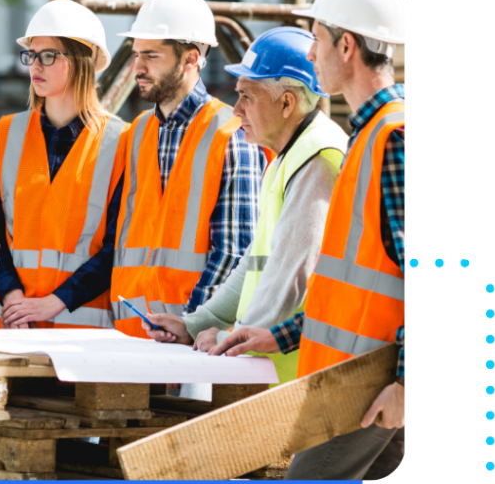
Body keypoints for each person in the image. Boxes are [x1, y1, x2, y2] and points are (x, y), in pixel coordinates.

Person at [212, 0, 405, 480]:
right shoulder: (366, 139)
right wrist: (281, 334)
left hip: (370, 385)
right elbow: (350, 284)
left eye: (317, 40)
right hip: (352, 380)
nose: (311, 52)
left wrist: (405, 385)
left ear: (346, 47)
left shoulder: (394, 140)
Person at [141, 27, 348, 384]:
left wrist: (232, 337)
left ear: (286, 103)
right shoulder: (288, 157)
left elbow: (290, 277)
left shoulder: (318, 158)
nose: (236, 110)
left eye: (247, 96)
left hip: (308, 380)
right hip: (284, 372)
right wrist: (197, 324)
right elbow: (254, 266)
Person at [110, 0, 267, 342]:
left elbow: (234, 252)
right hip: (131, 336)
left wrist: (190, 323)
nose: (138, 67)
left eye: (151, 55)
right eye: (136, 55)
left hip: (196, 339)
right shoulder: (136, 134)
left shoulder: (231, 134)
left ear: (191, 59)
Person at [0, 0, 126, 330]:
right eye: (31, 54)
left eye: (48, 55)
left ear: (81, 60)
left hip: (83, 339)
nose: (35, 66)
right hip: (10, 329)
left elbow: (119, 247)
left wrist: (54, 302)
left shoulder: (121, 142)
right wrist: (12, 296)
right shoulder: (8, 132)